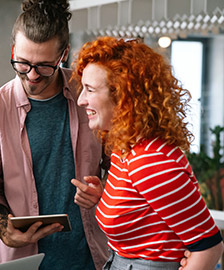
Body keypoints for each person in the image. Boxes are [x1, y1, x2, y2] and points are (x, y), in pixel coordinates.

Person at [0, 0, 109, 269]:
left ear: (64, 54)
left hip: (92, 257)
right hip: (26, 260)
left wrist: (104, 191)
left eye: (45, 66)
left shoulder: (90, 95)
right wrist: (3, 229)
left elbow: (120, 164)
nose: (32, 75)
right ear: (13, 49)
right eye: (22, 63)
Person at [74, 36, 224, 270]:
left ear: (123, 97)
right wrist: (106, 198)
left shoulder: (150, 160)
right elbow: (149, 218)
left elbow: (209, 247)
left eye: (90, 90)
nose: (81, 100)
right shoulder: (125, 149)